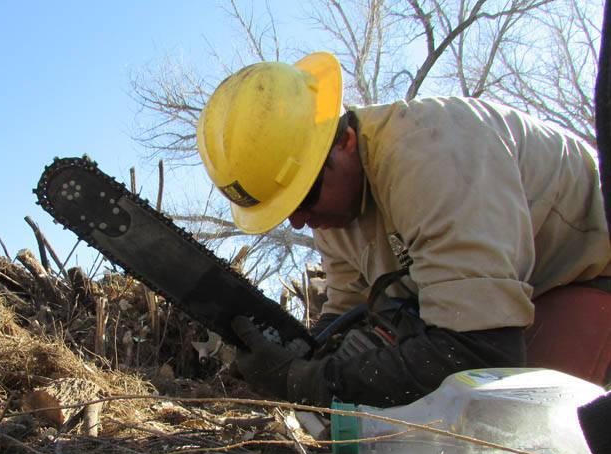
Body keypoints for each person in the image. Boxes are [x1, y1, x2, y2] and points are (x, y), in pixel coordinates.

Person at [197, 52, 611, 407]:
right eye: (286, 210)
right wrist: (299, 354)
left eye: (304, 198)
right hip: (511, 300)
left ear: (343, 142)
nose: (301, 221)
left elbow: (481, 352)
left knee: (509, 422)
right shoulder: (335, 208)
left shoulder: (433, 154)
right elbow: (348, 310)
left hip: (585, 277)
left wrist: (307, 385)